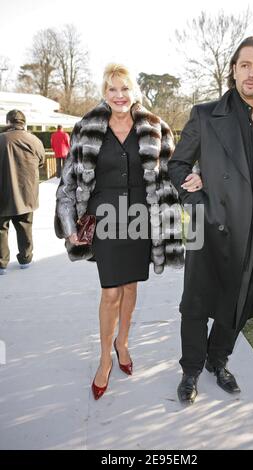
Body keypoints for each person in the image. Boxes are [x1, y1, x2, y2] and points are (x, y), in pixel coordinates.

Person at [54, 63, 202, 400]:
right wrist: (68, 222)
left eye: (125, 89)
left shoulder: (154, 127)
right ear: (104, 93)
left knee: (131, 286)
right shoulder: (86, 127)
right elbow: (69, 181)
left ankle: (123, 342)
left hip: (141, 220)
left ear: (134, 91)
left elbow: (177, 166)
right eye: (112, 89)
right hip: (103, 218)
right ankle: (105, 357)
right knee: (110, 292)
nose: (119, 96)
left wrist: (197, 175)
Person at [168, 36, 253, 404]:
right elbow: (177, 165)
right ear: (234, 70)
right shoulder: (206, 114)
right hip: (210, 226)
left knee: (238, 305)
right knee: (195, 304)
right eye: (245, 65)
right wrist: (196, 196)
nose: (252, 72)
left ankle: (217, 360)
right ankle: (191, 369)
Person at [0, 109, 45, 275]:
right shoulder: (33, 140)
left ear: (8, 122)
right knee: (25, 226)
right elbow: (41, 162)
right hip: (26, 192)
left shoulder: (0, 139)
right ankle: (26, 259)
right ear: (23, 123)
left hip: (2, 192)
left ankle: (1, 264)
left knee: (1, 229)